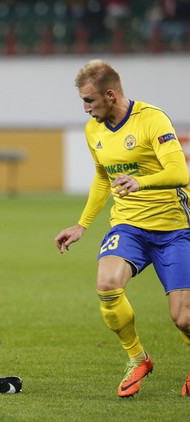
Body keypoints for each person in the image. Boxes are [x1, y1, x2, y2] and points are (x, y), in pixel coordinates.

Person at [54, 59, 190, 398]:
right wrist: (82, 225)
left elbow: (180, 173)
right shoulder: (94, 130)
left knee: (183, 319)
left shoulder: (152, 119)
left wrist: (140, 182)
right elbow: (103, 176)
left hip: (174, 228)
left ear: (111, 95)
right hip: (129, 225)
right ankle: (138, 358)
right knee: (107, 284)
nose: (85, 108)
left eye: (89, 100)